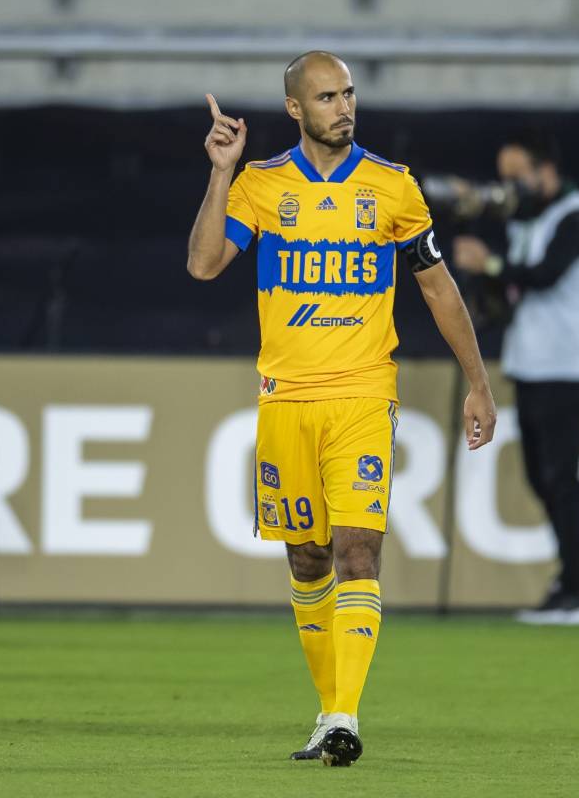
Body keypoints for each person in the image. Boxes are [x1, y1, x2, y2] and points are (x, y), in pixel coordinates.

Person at [186, 51, 497, 766]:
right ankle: (330, 713)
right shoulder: (262, 184)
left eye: (349, 93)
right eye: (327, 97)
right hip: (286, 401)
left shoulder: (392, 186)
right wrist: (221, 172)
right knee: (307, 558)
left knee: (359, 552)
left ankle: (344, 715)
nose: (344, 107)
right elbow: (204, 264)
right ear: (295, 109)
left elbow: (438, 287)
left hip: (363, 395)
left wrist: (478, 382)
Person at [451, 138, 579, 626]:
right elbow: (510, 292)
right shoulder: (527, 220)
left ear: (547, 170)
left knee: (561, 477)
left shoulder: (578, 218)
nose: (511, 187)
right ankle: (569, 580)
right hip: (531, 363)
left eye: (518, 175)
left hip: (569, 366)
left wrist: (490, 264)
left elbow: (544, 274)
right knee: (540, 476)